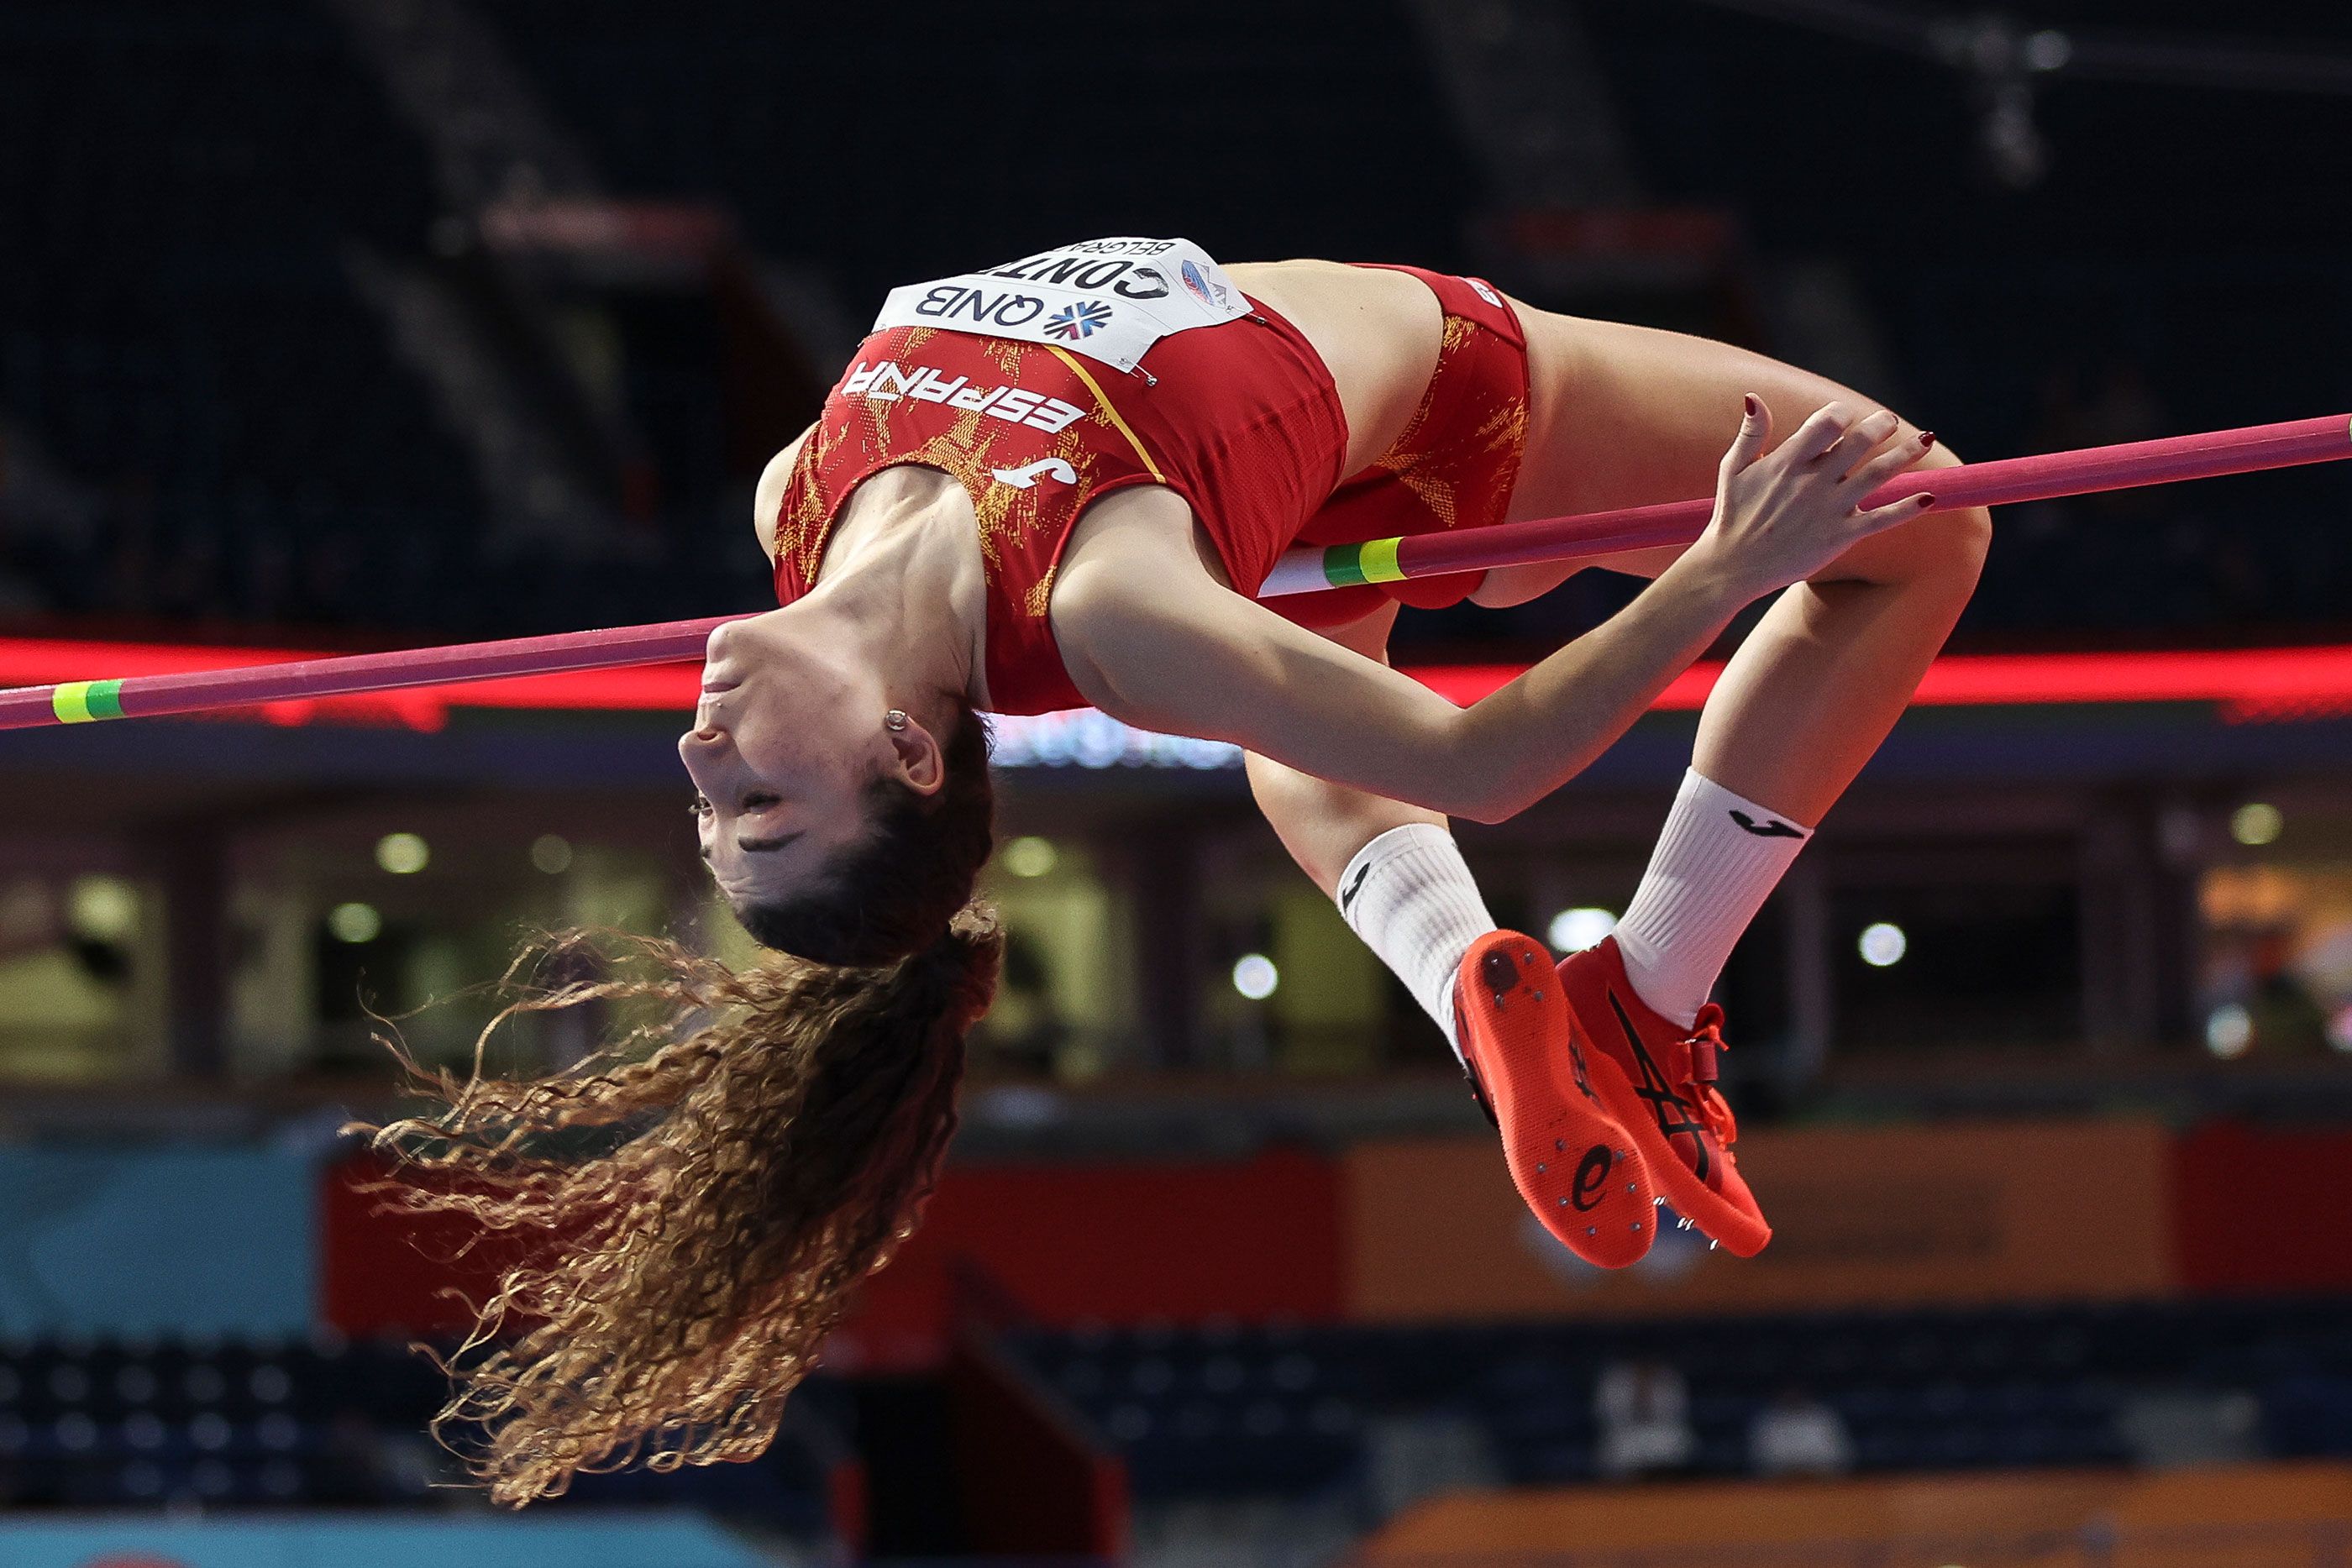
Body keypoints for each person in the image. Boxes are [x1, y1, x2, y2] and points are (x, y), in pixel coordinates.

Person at [366, 237, 1987, 1502]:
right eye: (763, 810)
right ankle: (1652, 990)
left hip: (1279, 510)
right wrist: (1724, 570)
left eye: (707, 818)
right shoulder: (1104, 617)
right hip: (1456, 401)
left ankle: (1461, 976)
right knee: (1922, 524)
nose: (699, 768)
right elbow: (1484, 766)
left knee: (1295, 716)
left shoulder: (794, 495)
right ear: (910, 756)